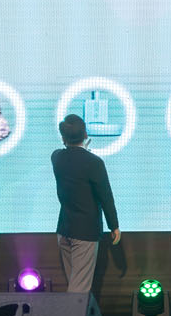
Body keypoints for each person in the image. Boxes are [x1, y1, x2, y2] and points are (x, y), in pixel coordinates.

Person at [51, 114, 120, 295]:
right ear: (86, 134)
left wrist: (81, 150)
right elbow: (106, 197)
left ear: (63, 137)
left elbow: (70, 155)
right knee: (78, 291)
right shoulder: (94, 162)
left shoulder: (56, 157)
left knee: (74, 284)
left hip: (64, 229)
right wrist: (114, 225)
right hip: (85, 232)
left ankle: (77, 314)